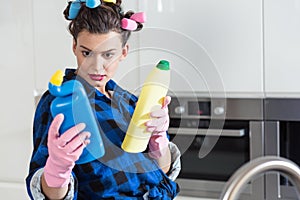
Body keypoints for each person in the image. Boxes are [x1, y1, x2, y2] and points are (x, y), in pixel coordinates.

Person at [26, 0, 181, 199]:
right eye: (86, 53)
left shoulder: (130, 102)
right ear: (74, 46)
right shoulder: (61, 101)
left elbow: (164, 172)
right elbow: (49, 194)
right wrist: (57, 169)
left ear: (124, 52)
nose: (96, 67)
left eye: (108, 54)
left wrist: (158, 141)